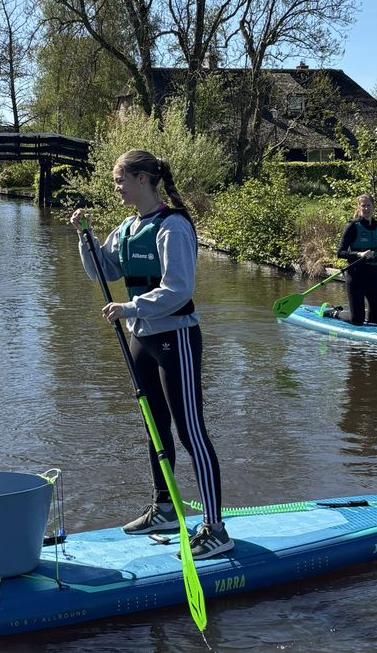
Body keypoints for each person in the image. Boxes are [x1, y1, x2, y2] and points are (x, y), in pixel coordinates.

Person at [69, 149, 232, 560]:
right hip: (142, 339)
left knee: (190, 432)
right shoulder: (126, 227)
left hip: (175, 338)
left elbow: (179, 289)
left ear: (142, 179)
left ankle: (215, 527)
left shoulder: (172, 227)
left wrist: (129, 308)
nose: (116, 187)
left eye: (119, 180)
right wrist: (84, 238)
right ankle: (163, 508)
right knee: (155, 430)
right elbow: (104, 271)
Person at [330, 193, 377, 326]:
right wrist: (359, 254)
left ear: (373, 207)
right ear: (359, 207)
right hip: (356, 275)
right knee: (357, 320)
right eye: (363, 206)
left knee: (375, 320)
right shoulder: (353, 226)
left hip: (373, 274)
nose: (366, 208)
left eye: (369, 205)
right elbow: (340, 253)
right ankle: (334, 312)